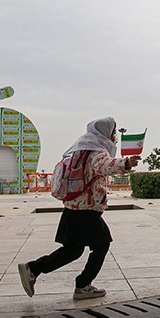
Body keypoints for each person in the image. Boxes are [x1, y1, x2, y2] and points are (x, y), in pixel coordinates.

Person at [18, 117, 140, 301]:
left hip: (73, 209)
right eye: (113, 132)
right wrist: (126, 163)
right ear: (105, 133)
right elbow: (103, 165)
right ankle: (83, 286)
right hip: (86, 212)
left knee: (73, 251)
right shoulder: (95, 151)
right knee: (102, 245)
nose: (114, 136)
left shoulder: (79, 150)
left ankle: (33, 269)